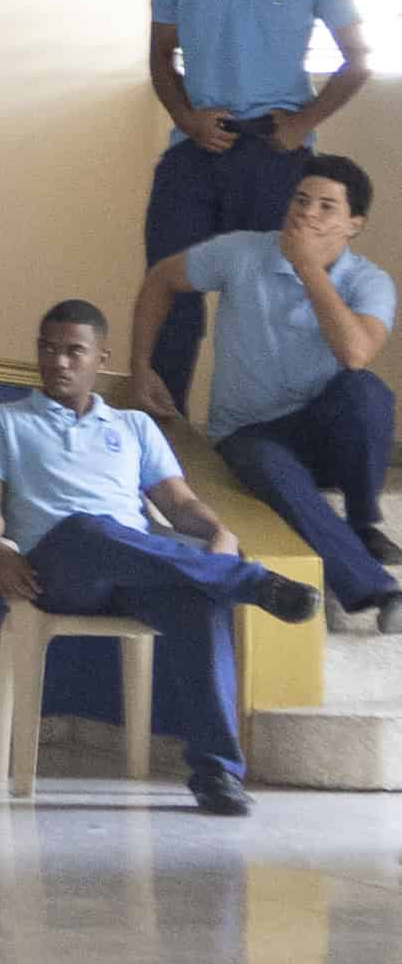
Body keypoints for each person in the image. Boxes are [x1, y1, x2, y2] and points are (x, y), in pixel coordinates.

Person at [0, 298, 309, 818]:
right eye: (48, 349)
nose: (58, 362)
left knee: (199, 603)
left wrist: (220, 529)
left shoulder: (134, 426)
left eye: (73, 351)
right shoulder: (3, 421)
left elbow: (179, 502)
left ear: (101, 359)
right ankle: (248, 581)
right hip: (56, 568)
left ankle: (217, 774)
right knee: (88, 527)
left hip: (137, 570)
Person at [144, 0, 370, 416]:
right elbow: (160, 57)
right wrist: (186, 119)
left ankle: (275, 444)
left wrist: (302, 124)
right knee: (171, 295)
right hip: (198, 146)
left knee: (275, 297)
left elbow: (358, 61)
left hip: (274, 150)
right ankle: (159, 442)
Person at [128, 155, 399, 633]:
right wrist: (141, 366)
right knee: (265, 463)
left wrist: (309, 270)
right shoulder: (241, 252)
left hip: (324, 429)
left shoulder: (369, 281)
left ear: (353, 225)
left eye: (326, 207)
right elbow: (161, 279)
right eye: (300, 200)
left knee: (365, 392)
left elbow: (355, 352)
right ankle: (375, 589)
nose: (307, 213)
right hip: (250, 433)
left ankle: (361, 520)